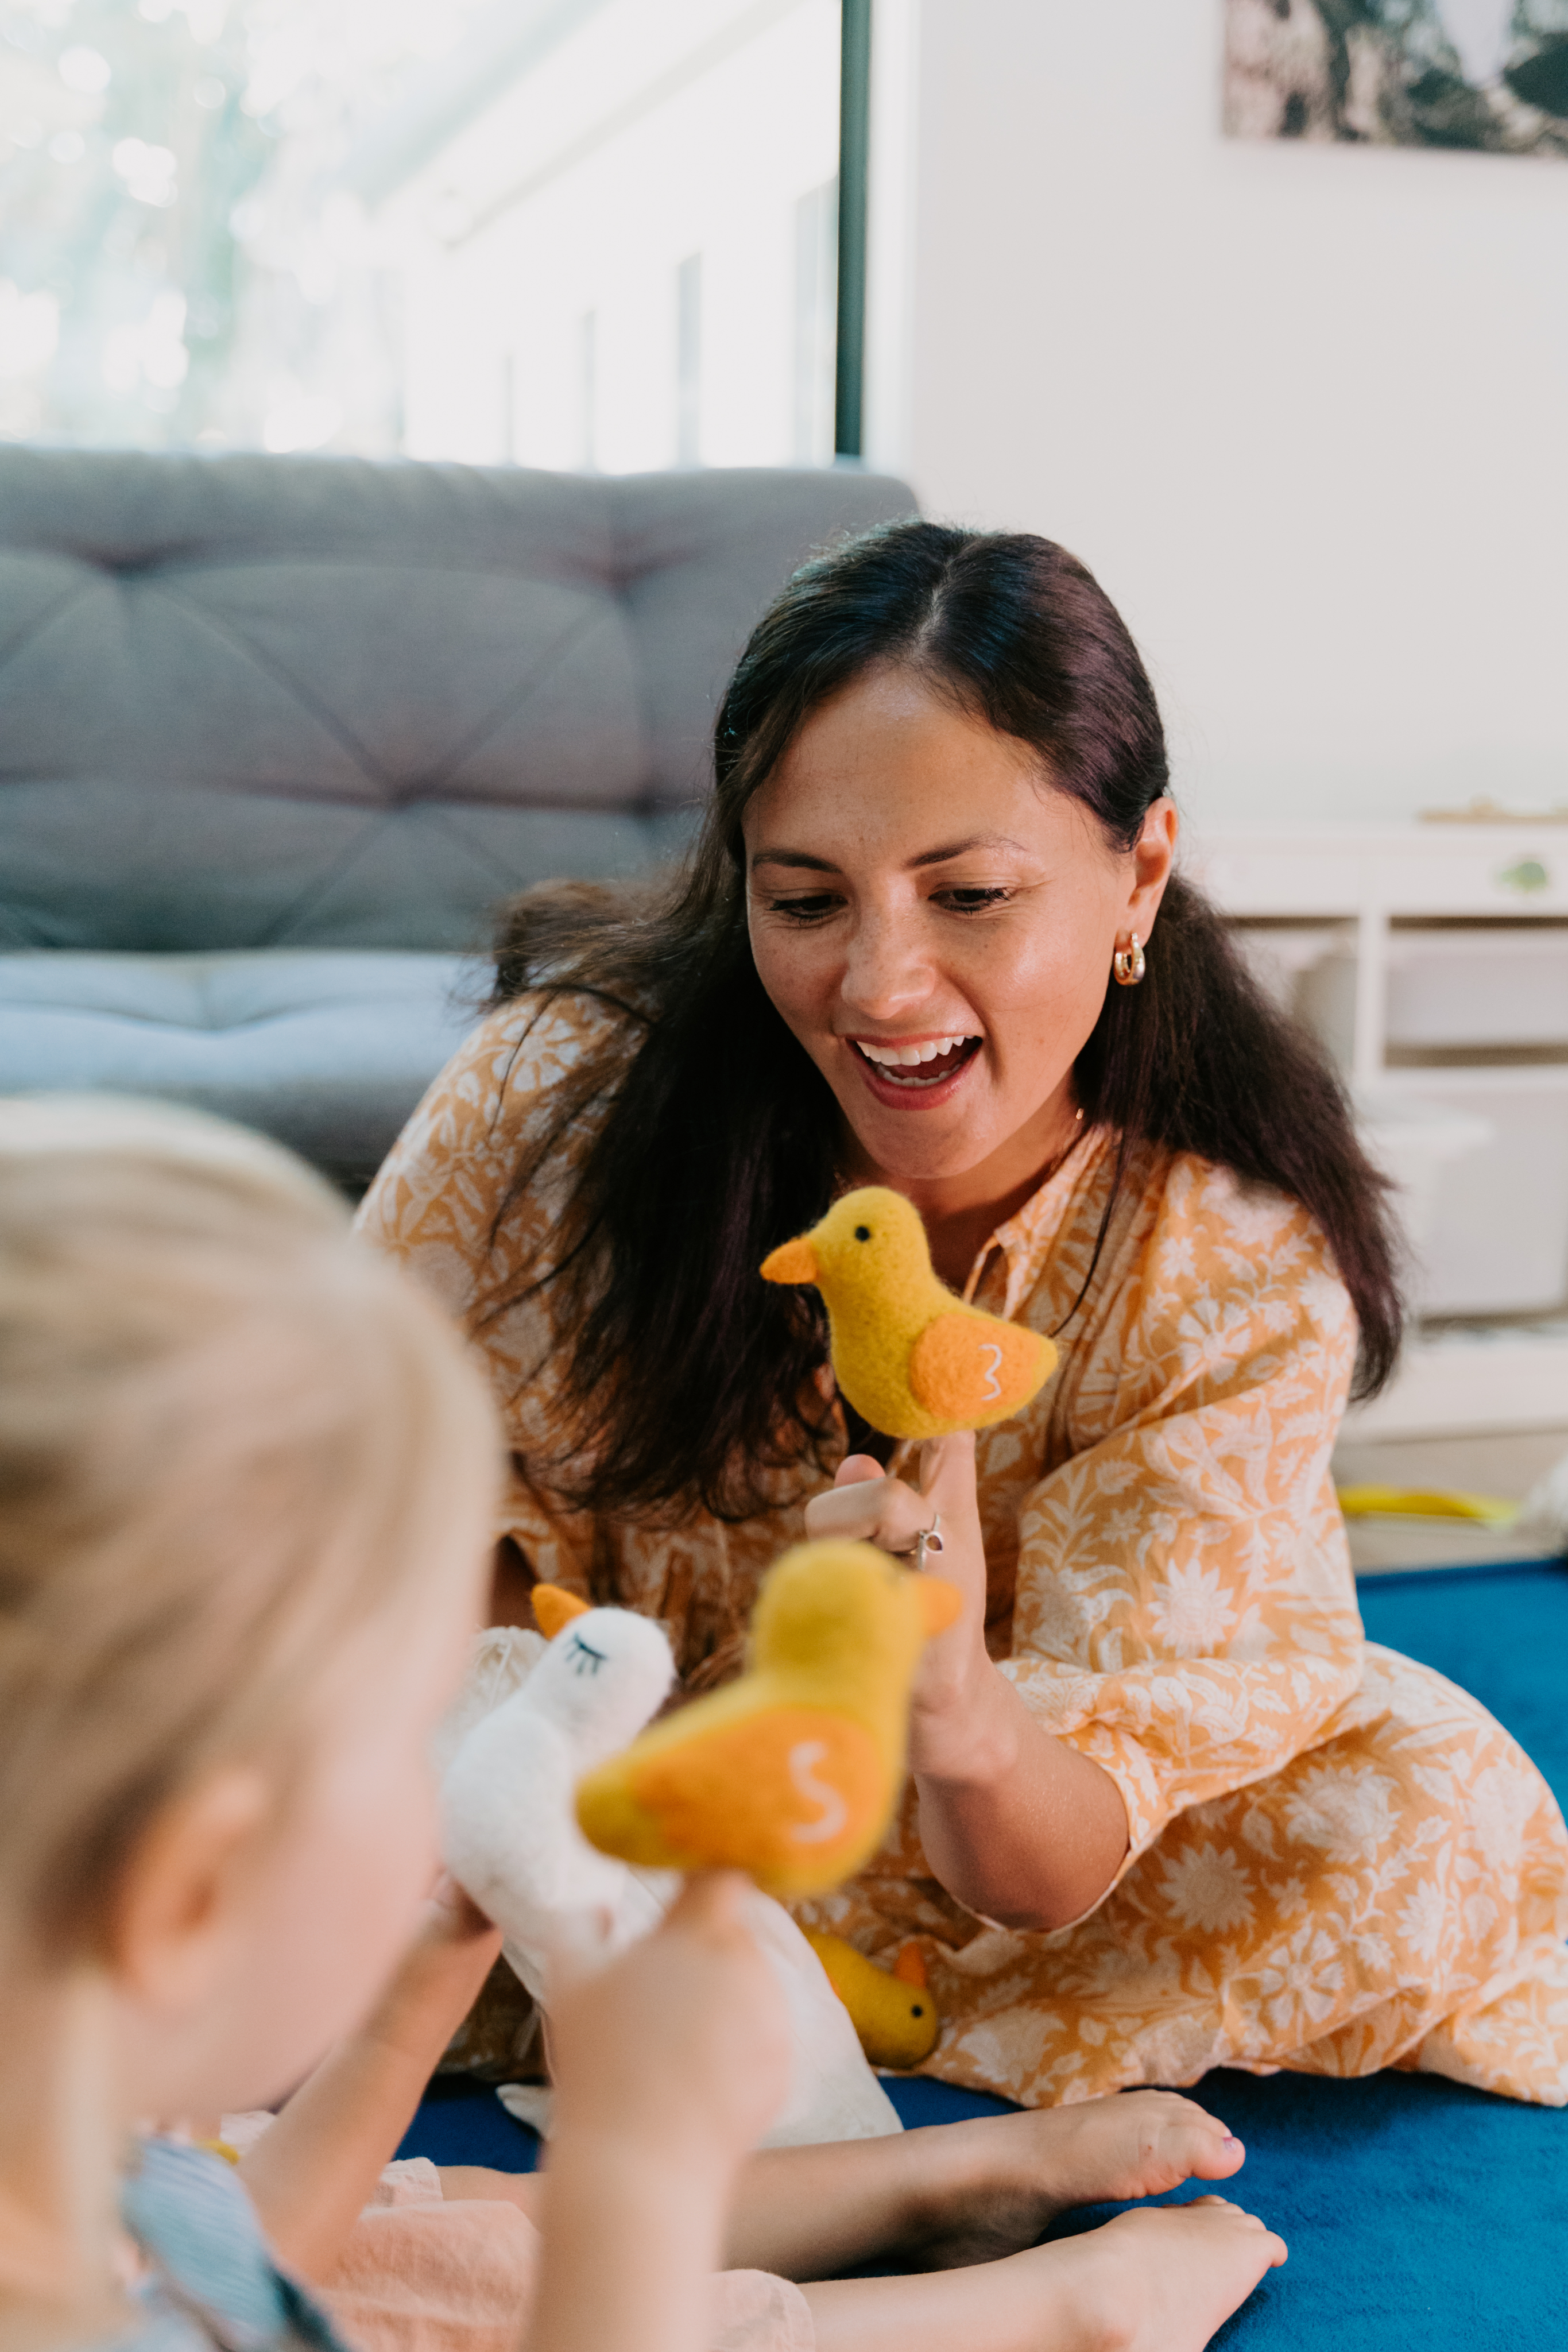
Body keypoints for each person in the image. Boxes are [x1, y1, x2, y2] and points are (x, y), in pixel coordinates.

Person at [359, 519, 1568, 2110]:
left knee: (1428, 1802)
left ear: (1136, 877)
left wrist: (960, 1711)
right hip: (566, 1779)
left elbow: (1040, 1868)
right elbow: (365, 1515)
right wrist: (468, 1811)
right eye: (805, 900)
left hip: (978, 1850)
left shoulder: (1226, 1262)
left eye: (970, 895)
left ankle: (756, 2006)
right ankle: (735, 2001)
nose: (880, 986)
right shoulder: (555, 1103)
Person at [0, 1095, 1286, 2352]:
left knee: (400, 2234)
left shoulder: (65, 2149)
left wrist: (429, 1970)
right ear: (179, 1895)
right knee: (452, 2285)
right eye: (398, 1732)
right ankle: (1049, 2315)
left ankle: (935, 2181)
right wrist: (639, 2160)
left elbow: (247, 2242)